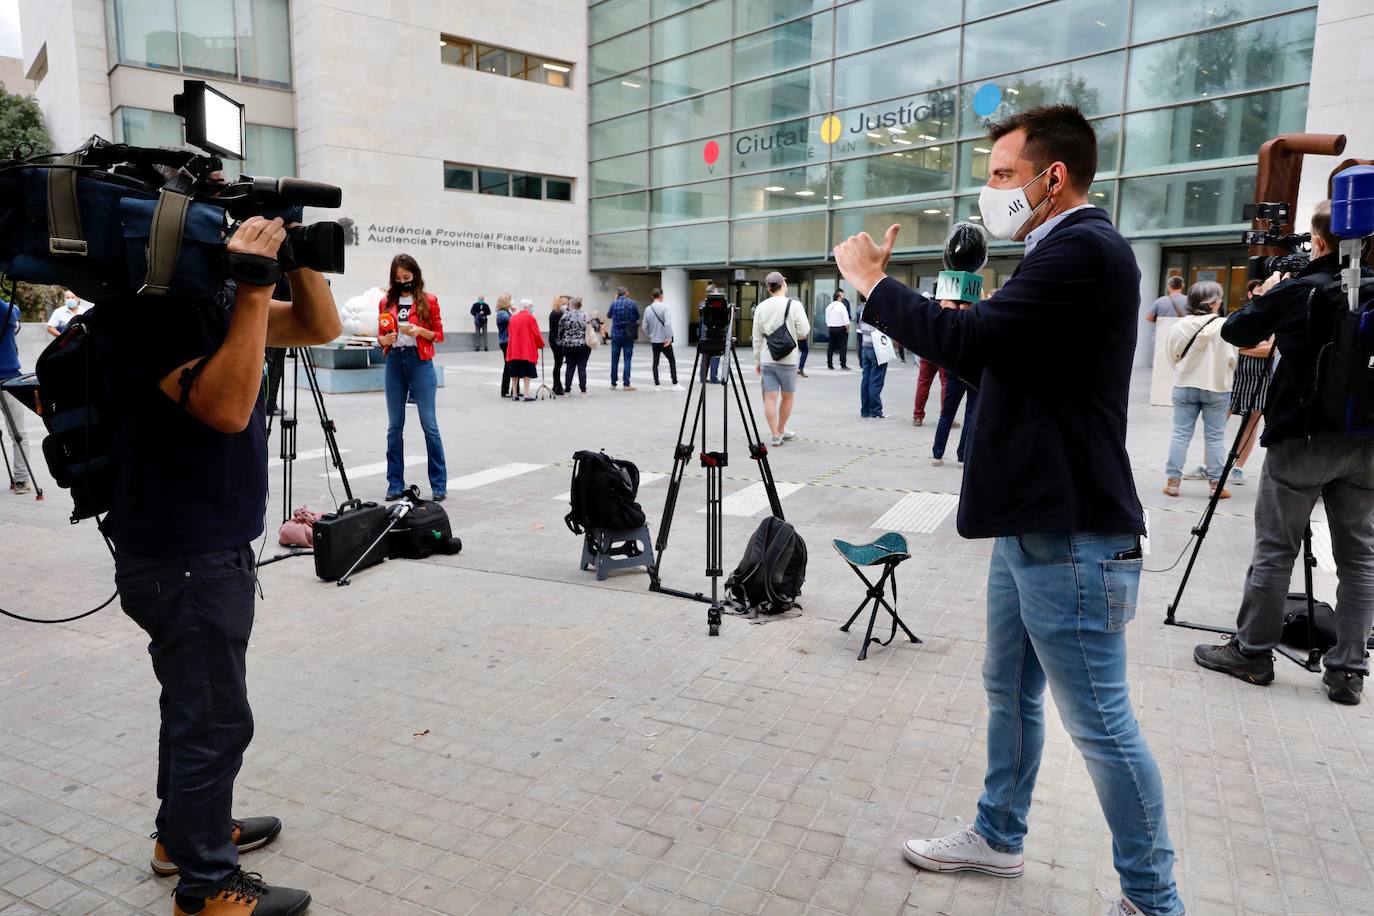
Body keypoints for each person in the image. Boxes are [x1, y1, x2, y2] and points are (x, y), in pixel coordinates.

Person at [834, 104, 1182, 916]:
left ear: (1050, 176)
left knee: (1101, 725)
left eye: (1000, 176)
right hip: (1030, 525)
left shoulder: (1085, 250)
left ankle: (1153, 901)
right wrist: (955, 324)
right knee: (1009, 689)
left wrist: (873, 286)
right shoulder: (1052, 253)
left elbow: (977, 348)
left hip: (1073, 535)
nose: (990, 192)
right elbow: (998, 366)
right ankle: (999, 834)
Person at [96, 216, 341, 916]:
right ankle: (205, 889)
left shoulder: (210, 302)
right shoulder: (141, 314)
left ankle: (184, 837)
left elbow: (319, 327)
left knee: (193, 707)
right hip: (183, 554)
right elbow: (229, 409)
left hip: (208, 548)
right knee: (214, 721)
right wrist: (255, 291)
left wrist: (296, 262)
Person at [1194, 200, 1374, 706]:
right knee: (1360, 559)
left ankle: (1253, 653)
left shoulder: (1302, 290)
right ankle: (1348, 672)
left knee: (1276, 549)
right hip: (1367, 444)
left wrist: (1271, 293)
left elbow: (1235, 331)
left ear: (1318, 241)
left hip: (1302, 441)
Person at [378, 254, 447, 502]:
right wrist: (383, 340)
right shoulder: (386, 301)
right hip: (395, 361)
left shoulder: (429, 301)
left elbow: (439, 335)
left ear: (415, 275)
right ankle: (394, 484)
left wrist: (420, 331)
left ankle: (439, 484)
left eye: (406, 277)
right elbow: (380, 335)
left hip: (420, 362)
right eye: (398, 278)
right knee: (394, 426)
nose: (402, 282)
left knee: (429, 425)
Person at [1161, 281, 1235, 500]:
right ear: (1212, 303)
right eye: (1219, 299)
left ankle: (1173, 483)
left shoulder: (1180, 326)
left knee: (1180, 434)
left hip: (1184, 385)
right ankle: (1216, 486)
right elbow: (1232, 359)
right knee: (1215, 437)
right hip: (1217, 388)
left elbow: (1171, 354)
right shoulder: (1224, 326)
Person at [1219, 279, 1270, 487]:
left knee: (1250, 425)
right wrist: (1257, 345)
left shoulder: (1272, 318)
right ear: (1249, 294)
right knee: (1218, 421)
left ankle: (1238, 467)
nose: (1260, 295)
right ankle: (1213, 464)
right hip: (1233, 377)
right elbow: (1227, 344)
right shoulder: (1238, 316)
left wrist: (1242, 348)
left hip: (1260, 379)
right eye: (1257, 292)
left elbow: (1270, 350)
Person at [751, 271, 810, 446]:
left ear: (769, 289)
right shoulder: (794, 305)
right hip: (789, 360)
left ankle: (775, 434)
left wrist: (758, 359)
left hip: (768, 359)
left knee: (770, 397)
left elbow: (756, 337)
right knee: (787, 397)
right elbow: (804, 331)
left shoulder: (761, 307)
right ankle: (782, 429)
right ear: (783, 285)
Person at [0, 293, 30, 493]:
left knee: (17, 433)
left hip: (8, 378)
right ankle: (21, 480)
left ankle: (20, 479)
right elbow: (14, 312)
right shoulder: (6, 310)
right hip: (8, 377)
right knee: (18, 433)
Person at [641, 287, 681, 389]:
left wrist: (650, 334)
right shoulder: (665, 308)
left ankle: (657, 384)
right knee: (671, 361)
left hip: (654, 340)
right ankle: (675, 383)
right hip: (664, 340)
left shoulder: (648, 309)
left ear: (652, 296)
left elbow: (644, 326)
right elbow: (667, 324)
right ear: (661, 296)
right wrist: (669, 337)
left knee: (655, 362)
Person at [505, 300, 544, 401]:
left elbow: (509, 333)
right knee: (527, 372)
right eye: (531, 307)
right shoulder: (530, 318)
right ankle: (526, 394)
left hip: (514, 349)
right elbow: (536, 333)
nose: (532, 309)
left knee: (514, 372)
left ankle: (514, 394)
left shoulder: (513, 318)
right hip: (526, 349)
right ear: (528, 307)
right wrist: (541, 344)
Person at [856, 298, 889, 419]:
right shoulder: (879, 309)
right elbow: (884, 328)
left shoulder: (863, 309)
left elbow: (860, 329)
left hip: (865, 346)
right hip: (877, 349)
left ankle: (865, 410)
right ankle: (875, 410)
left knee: (866, 380)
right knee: (876, 380)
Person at [607, 286, 639, 391]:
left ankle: (613, 383)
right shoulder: (632, 303)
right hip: (628, 335)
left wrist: (614, 301)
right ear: (626, 293)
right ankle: (626, 384)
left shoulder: (614, 303)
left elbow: (609, 315)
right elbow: (637, 316)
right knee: (627, 359)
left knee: (614, 359)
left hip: (616, 335)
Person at [558, 296, 591, 397]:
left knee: (570, 368)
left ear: (571, 305)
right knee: (582, 368)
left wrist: (561, 340)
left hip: (568, 345)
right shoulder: (585, 315)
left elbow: (560, 330)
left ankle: (567, 391)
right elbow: (592, 327)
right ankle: (583, 391)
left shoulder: (565, 316)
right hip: (582, 345)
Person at [824, 289, 851, 370]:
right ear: (839, 297)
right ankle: (843, 363)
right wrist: (847, 328)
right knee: (843, 346)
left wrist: (829, 325)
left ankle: (830, 363)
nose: (843, 297)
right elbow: (846, 319)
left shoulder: (829, 306)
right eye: (842, 295)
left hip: (831, 328)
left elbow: (827, 319)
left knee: (831, 346)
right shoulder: (842, 306)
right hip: (841, 328)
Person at [548, 295, 567, 397]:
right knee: (558, 363)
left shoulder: (559, 313)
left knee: (558, 364)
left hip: (557, 341)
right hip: (556, 342)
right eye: (564, 303)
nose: (566, 305)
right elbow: (559, 329)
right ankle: (557, 385)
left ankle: (557, 385)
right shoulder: (556, 313)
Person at [496, 293, 513, 398]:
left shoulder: (506, 312)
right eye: (510, 300)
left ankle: (513, 389)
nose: (512, 301)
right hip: (506, 341)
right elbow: (513, 321)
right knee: (508, 365)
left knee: (511, 365)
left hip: (508, 341)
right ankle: (505, 390)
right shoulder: (502, 313)